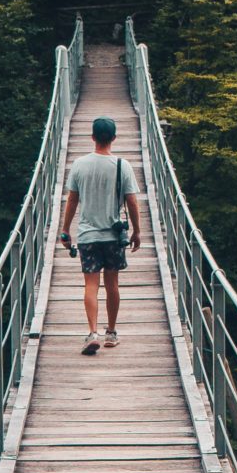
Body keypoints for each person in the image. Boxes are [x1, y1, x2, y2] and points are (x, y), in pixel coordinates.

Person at [56, 115, 142, 355]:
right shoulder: (122, 165)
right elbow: (132, 202)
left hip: (87, 236)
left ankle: (92, 332)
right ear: (114, 138)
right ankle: (111, 333)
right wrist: (136, 231)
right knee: (112, 284)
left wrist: (65, 230)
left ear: (92, 137)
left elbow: (72, 200)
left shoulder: (79, 164)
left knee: (90, 285)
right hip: (113, 237)